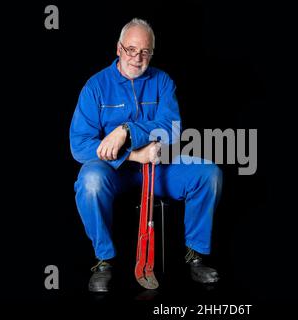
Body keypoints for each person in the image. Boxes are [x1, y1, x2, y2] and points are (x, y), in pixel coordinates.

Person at [69, 18, 222, 292]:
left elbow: (172, 129)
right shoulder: (95, 87)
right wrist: (132, 155)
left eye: (145, 52)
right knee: (89, 182)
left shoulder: (162, 82)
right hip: (113, 171)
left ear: (151, 53)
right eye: (131, 49)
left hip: (159, 168)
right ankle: (103, 260)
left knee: (208, 174)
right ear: (118, 49)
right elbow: (79, 145)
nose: (137, 58)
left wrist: (126, 130)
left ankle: (195, 254)